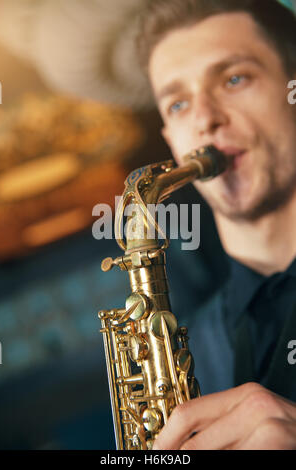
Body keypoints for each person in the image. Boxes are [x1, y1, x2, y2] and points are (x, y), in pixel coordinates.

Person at [136, 0, 296, 449]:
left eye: (234, 78)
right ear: (171, 139)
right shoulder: (186, 356)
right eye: (179, 103)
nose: (205, 120)